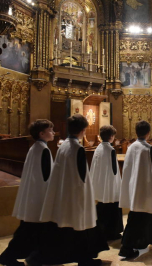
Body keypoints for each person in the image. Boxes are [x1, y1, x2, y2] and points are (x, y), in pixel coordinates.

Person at [39, 114, 109, 266]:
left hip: (65, 192)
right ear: (84, 130)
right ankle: (85, 260)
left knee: (70, 228)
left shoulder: (62, 145)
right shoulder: (78, 148)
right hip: (76, 194)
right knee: (80, 227)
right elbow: (82, 177)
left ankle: (79, 258)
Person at [0, 120, 55, 266]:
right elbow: (46, 177)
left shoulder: (36, 147)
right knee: (27, 232)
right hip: (38, 197)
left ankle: (35, 257)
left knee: (31, 231)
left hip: (33, 196)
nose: (53, 132)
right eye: (50, 129)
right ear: (41, 133)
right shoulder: (43, 149)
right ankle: (8, 257)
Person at [119, 121, 152, 259]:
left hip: (134, 185)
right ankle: (126, 248)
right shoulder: (147, 148)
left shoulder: (131, 146)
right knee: (137, 217)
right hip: (145, 186)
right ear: (148, 133)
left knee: (146, 214)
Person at [90, 125, 123, 241]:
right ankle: (111, 232)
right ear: (111, 136)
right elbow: (114, 171)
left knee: (102, 208)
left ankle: (101, 231)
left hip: (99, 182)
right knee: (111, 209)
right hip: (109, 185)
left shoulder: (98, 147)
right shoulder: (110, 150)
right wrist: (118, 185)